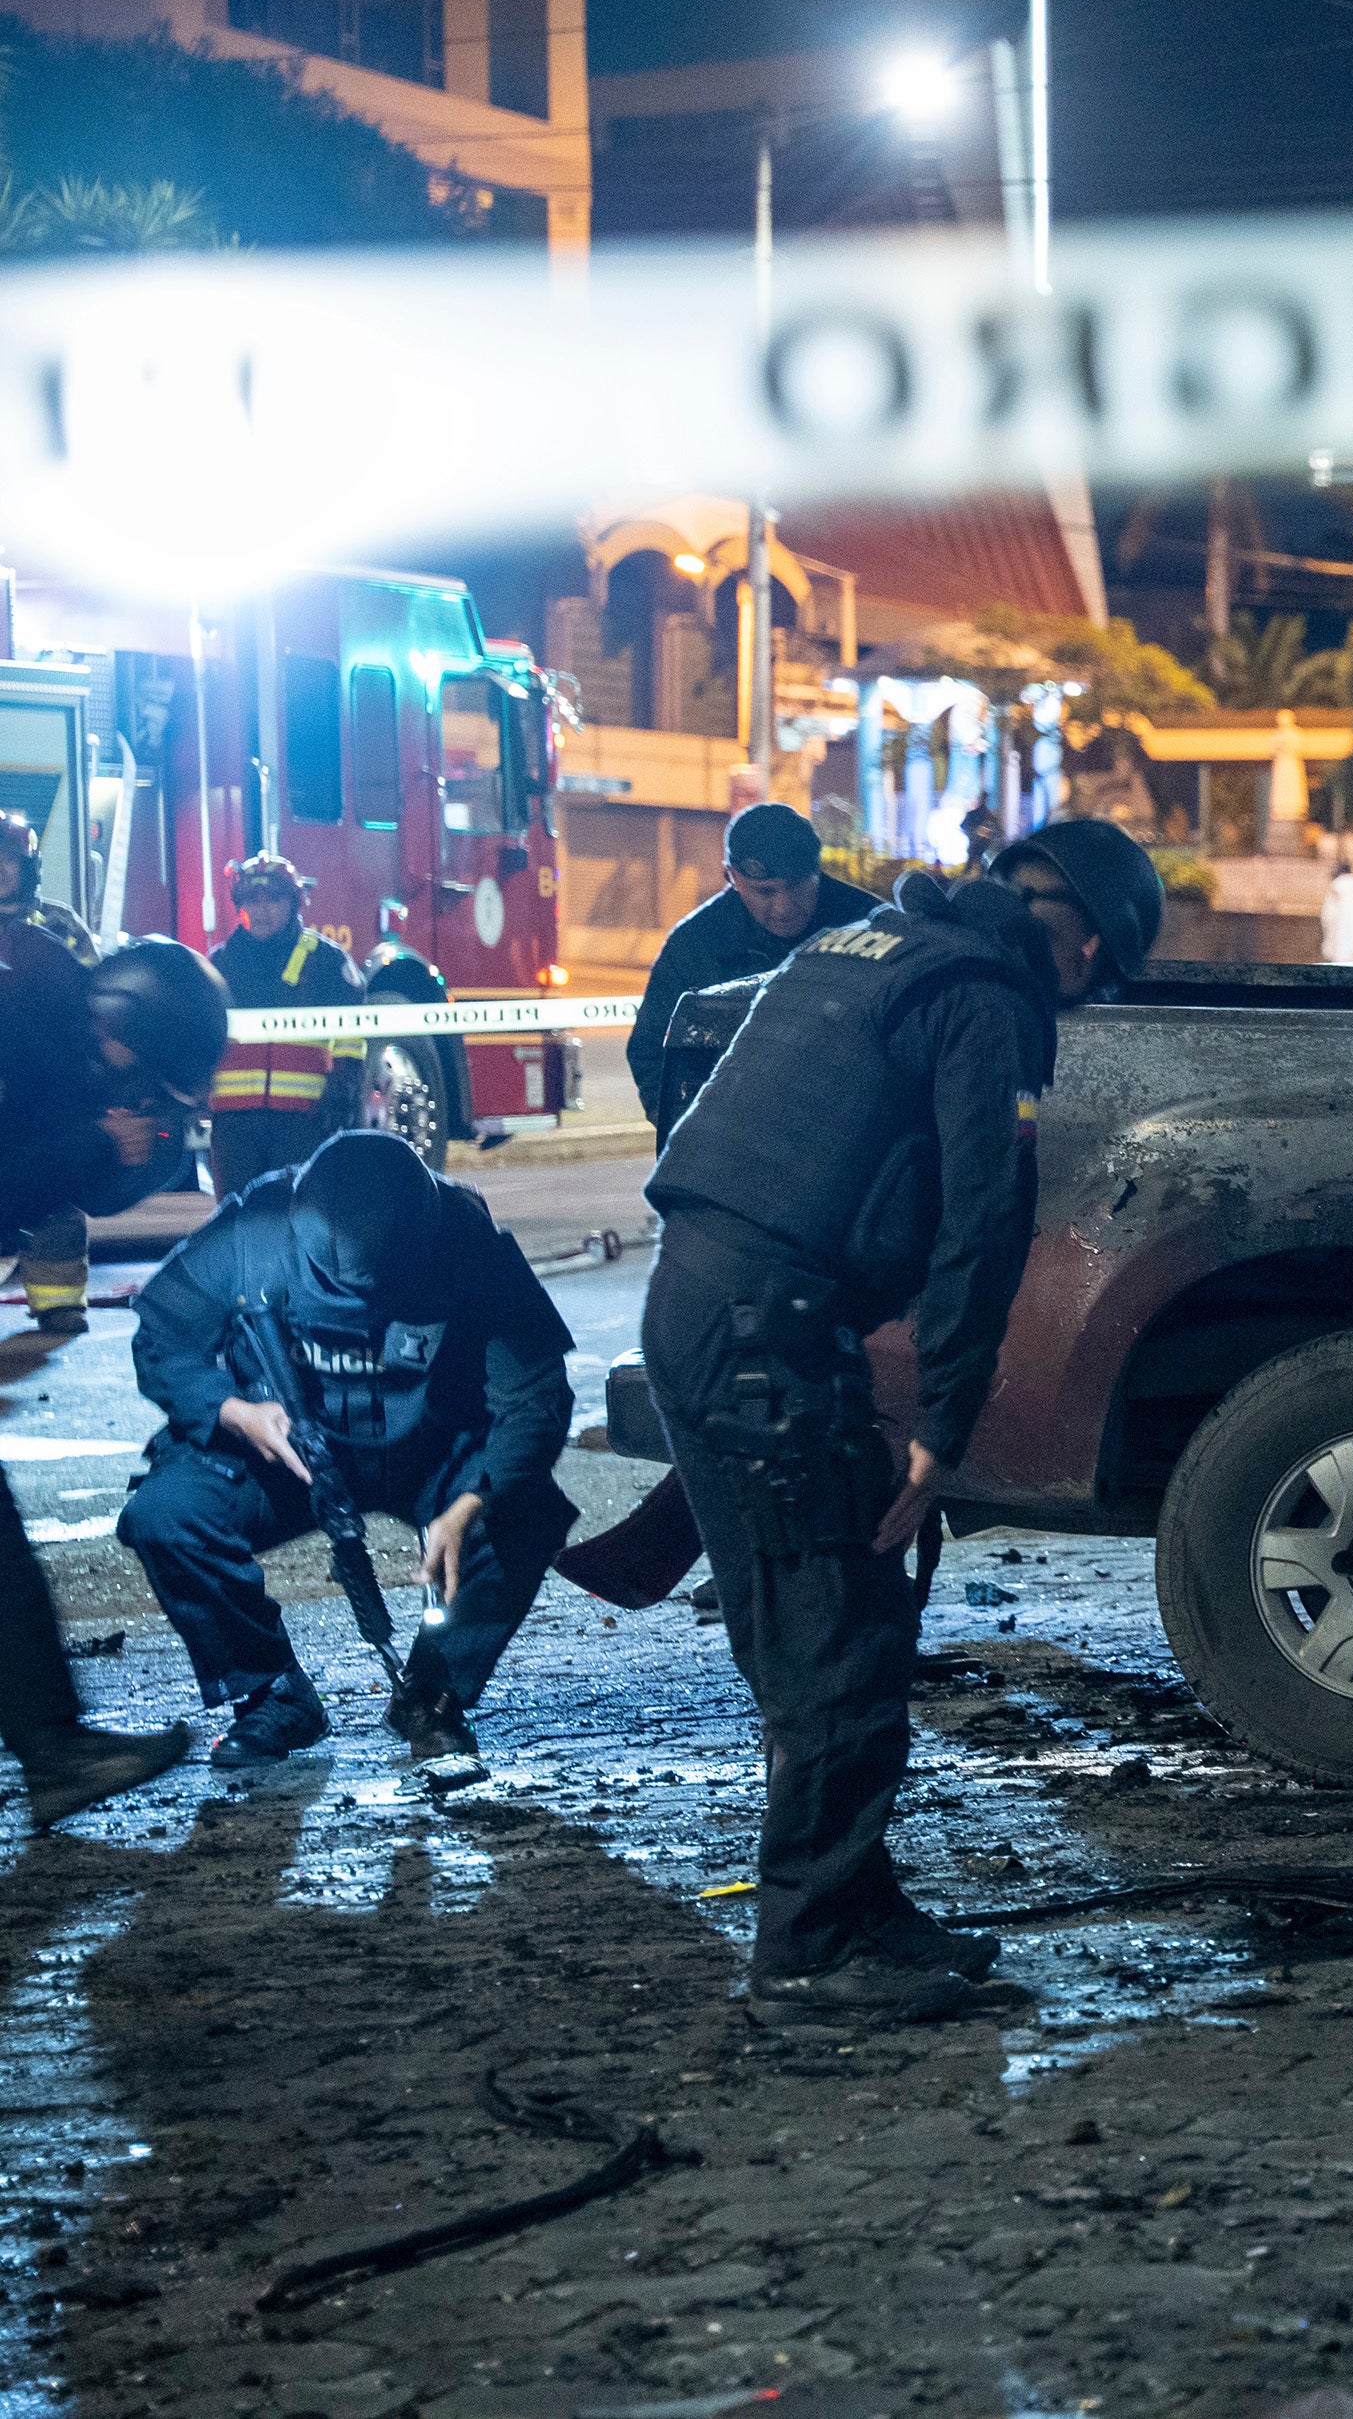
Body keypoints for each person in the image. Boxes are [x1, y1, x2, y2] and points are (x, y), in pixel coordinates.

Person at [642, 814, 1157, 2023]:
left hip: (701, 1310)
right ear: (1076, 938)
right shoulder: (988, 996)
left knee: (805, 1633)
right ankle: (812, 1953)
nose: (1085, 997)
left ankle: (860, 1907)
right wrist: (943, 1419)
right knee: (842, 1643)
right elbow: (987, 1218)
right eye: (1101, 973)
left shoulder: (864, 942)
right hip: (766, 1335)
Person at [117, 1131, 579, 1766]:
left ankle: (432, 1695)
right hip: (288, 1451)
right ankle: (273, 1696)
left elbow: (536, 1392)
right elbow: (163, 1334)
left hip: (427, 1450)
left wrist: (472, 1500)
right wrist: (232, 1411)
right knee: (166, 1516)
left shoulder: (466, 1240)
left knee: (525, 1510)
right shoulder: (253, 1231)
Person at [0, 938, 225, 1822]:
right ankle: (56, 1753)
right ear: (121, 1026)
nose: (133, 1095)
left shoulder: (49, 1021)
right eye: (140, 1074)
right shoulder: (27, 1027)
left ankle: (56, 1749)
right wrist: (90, 1142)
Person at [626, 804, 881, 1143]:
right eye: (766, 892)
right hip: (734, 1142)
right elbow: (651, 1050)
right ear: (731, 876)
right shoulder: (695, 946)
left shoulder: (871, 927)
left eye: (798, 887)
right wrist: (692, 1136)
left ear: (817, 872)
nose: (784, 906)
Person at [206, 854, 364, 1192]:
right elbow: (201, 1037)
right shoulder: (218, 963)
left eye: (273, 899)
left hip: (303, 1120)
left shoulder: (327, 961)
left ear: (292, 903)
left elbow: (351, 1034)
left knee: (297, 1218)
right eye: (252, 899)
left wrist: (343, 1089)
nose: (261, 910)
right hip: (234, 1124)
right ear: (240, 905)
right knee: (234, 1222)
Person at [0, 814, 101, 1334]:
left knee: (52, 1193)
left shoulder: (59, 926)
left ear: (29, 867)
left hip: (46, 1092)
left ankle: (59, 1300)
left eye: (8, 861)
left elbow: (96, 1004)